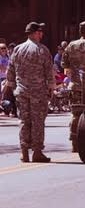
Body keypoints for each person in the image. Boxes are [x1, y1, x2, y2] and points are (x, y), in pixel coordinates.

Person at [4, 22, 55, 162]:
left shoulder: (18, 49)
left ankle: (24, 152)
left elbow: (10, 71)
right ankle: (37, 152)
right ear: (35, 33)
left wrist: (13, 87)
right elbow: (49, 72)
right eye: (40, 31)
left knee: (24, 121)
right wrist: (51, 88)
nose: (42, 34)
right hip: (38, 93)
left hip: (21, 92)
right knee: (38, 121)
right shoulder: (42, 50)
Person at [61, 21, 85, 152]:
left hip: (75, 85)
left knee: (76, 115)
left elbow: (64, 65)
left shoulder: (71, 46)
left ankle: (75, 143)